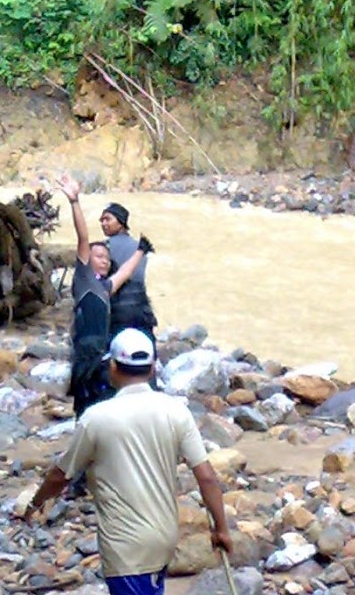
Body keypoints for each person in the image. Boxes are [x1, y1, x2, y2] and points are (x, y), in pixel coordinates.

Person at [22, 327, 232, 595]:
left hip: (125, 546)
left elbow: (60, 476)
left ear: (112, 367)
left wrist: (35, 504)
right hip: (164, 539)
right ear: (153, 368)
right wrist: (221, 529)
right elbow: (206, 477)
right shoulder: (176, 411)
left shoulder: (96, 418)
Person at [56, 175, 148, 418]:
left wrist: (141, 251)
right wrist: (74, 201)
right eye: (99, 257)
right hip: (85, 353)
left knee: (105, 404)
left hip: (103, 353)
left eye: (107, 258)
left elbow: (125, 272)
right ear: (88, 260)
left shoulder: (106, 287)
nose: (105, 260)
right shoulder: (84, 279)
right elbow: (83, 238)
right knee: (85, 408)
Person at [99, 200, 157, 339]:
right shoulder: (140, 247)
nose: (103, 224)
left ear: (121, 222)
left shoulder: (102, 248)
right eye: (101, 220)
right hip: (142, 308)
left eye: (108, 219)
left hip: (116, 310)